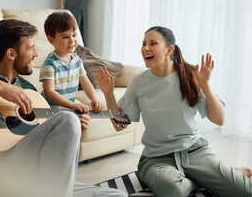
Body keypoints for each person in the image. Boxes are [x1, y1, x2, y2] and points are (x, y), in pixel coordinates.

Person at [0, 19, 126, 197]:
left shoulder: (28, 89)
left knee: (117, 195)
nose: (37, 54)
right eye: (31, 48)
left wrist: (74, 126)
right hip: (2, 170)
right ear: (11, 53)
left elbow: (48, 138)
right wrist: (0, 87)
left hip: (35, 175)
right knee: (67, 119)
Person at [96, 26, 252, 197]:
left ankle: (204, 177)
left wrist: (205, 84)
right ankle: (202, 180)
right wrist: (109, 94)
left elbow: (219, 119)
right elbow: (121, 125)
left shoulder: (190, 76)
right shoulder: (138, 81)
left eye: (152, 43)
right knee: (173, 191)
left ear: (169, 49)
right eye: (143, 43)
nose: (145, 48)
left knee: (245, 191)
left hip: (194, 152)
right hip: (156, 159)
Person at [40, 11, 104, 113]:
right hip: (51, 110)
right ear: (51, 40)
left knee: (84, 122)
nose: (72, 41)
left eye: (74, 35)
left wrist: (94, 99)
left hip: (69, 108)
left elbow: (85, 82)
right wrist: (72, 105)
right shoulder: (50, 64)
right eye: (65, 37)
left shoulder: (77, 60)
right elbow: (49, 92)